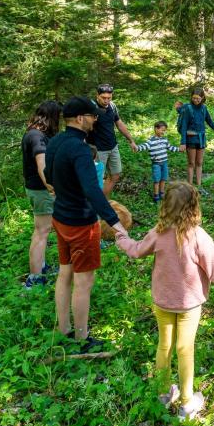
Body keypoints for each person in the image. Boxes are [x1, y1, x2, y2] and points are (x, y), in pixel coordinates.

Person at [116, 183, 214, 420]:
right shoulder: (200, 238)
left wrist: (121, 237)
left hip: (162, 303)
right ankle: (186, 403)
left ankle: (163, 394)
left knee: (165, 346)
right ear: (194, 206)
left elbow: (136, 250)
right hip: (189, 306)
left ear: (166, 206)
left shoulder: (158, 233)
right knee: (185, 349)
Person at [44, 96, 130, 353]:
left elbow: (49, 176)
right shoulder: (80, 148)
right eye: (92, 116)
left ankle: (64, 330)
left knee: (65, 274)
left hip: (60, 218)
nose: (95, 119)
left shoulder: (56, 141)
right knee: (84, 282)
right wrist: (116, 224)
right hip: (81, 223)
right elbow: (93, 190)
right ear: (80, 118)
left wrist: (66, 190)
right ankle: (81, 339)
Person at [21, 100, 62, 289]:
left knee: (42, 230)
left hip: (36, 189)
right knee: (41, 232)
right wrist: (51, 186)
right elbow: (42, 165)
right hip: (41, 190)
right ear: (52, 117)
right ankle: (35, 278)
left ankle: (42, 266)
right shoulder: (37, 137)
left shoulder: (33, 133)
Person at [88, 83, 139, 198]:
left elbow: (119, 123)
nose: (106, 100)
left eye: (109, 98)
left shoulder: (112, 106)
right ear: (97, 95)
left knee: (115, 175)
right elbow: (83, 127)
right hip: (97, 150)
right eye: (103, 98)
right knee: (96, 179)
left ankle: (104, 201)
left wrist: (131, 140)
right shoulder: (91, 108)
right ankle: (94, 207)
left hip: (112, 146)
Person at [174, 88, 214, 188]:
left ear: (202, 98)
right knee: (191, 163)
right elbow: (184, 125)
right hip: (191, 139)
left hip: (201, 139)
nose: (196, 100)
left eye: (198, 99)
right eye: (194, 98)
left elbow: (210, 122)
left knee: (199, 163)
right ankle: (189, 187)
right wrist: (183, 142)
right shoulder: (188, 109)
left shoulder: (204, 108)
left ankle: (199, 186)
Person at [136, 121, 181, 203]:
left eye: (164, 131)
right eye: (162, 130)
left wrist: (179, 149)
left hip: (164, 163)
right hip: (156, 164)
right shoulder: (151, 140)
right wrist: (137, 148)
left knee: (163, 179)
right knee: (157, 180)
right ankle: (156, 195)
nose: (163, 132)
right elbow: (144, 146)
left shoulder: (164, 140)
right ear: (156, 129)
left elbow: (170, 147)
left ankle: (162, 193)